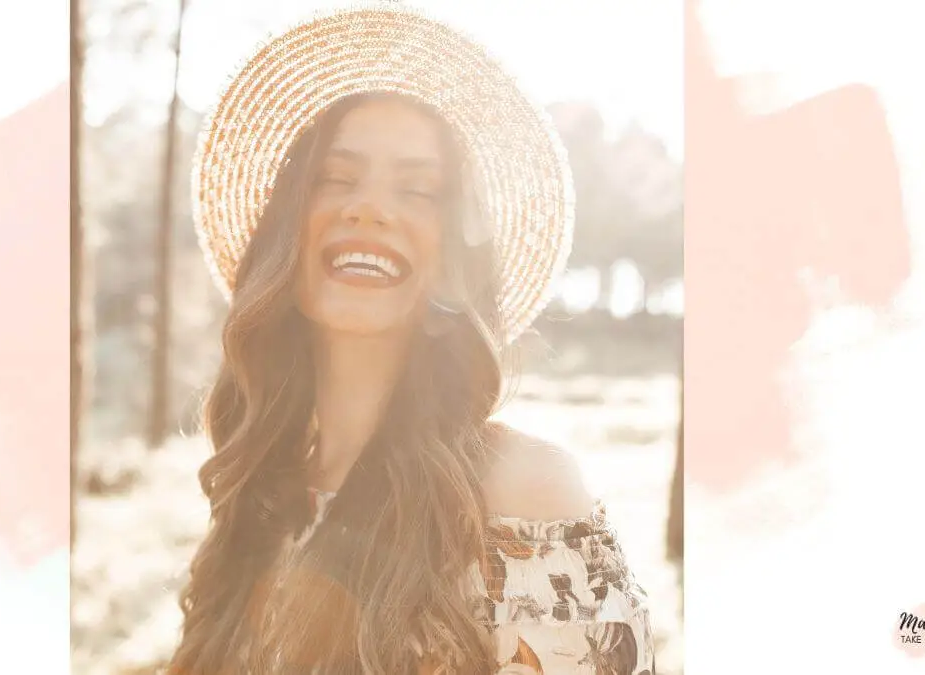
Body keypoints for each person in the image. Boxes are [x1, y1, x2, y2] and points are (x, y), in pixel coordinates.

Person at [168, 4, 654, 673]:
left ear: (454, 253)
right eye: (335, 179)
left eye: (419, 190)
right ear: (289, 229)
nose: (368, 207)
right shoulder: (261, 496)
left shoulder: (524, 493)